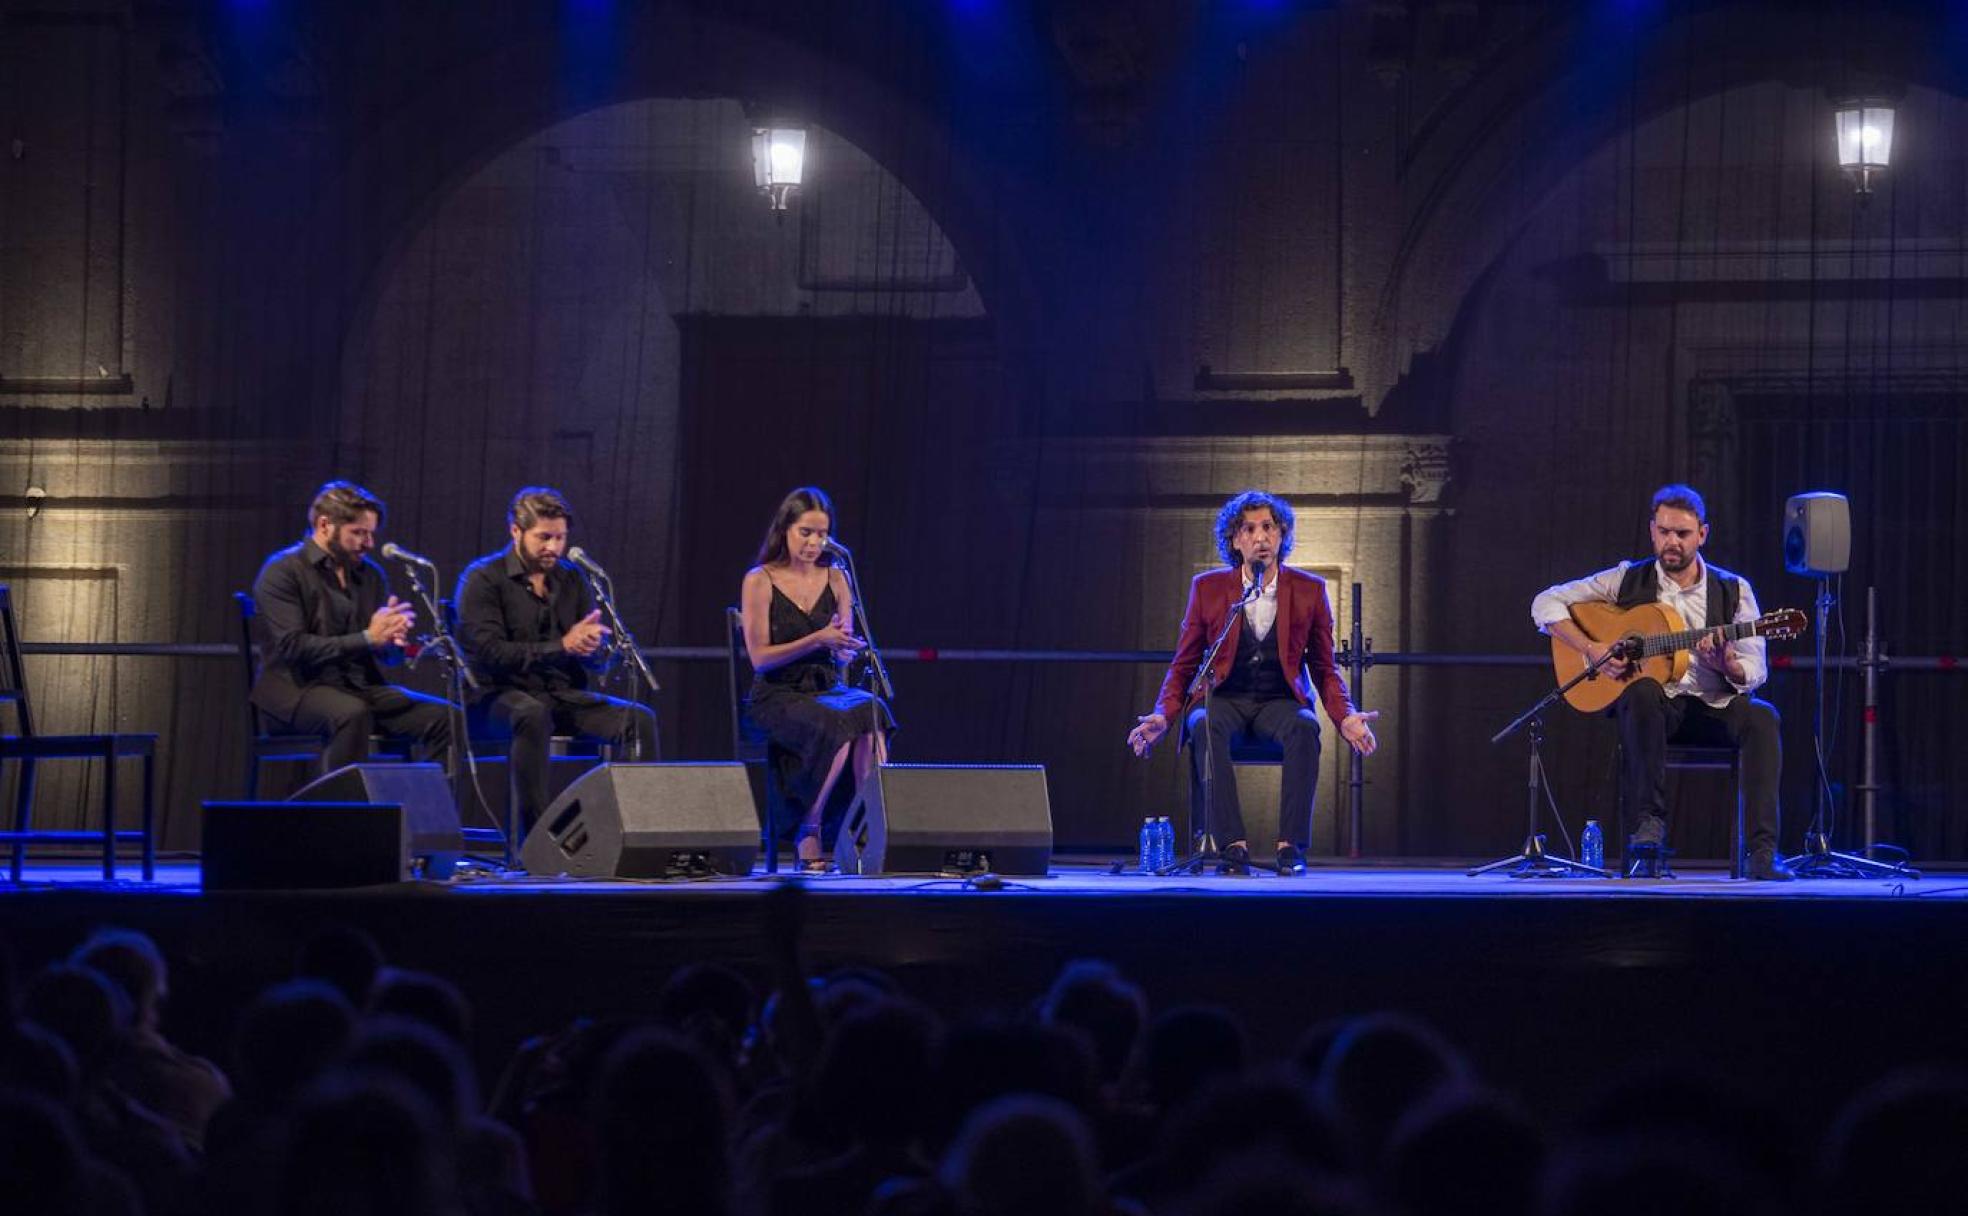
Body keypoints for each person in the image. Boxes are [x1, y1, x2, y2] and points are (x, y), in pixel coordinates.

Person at [1531, 483, 1792, 880]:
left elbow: (1755, 670)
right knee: (1643, 692)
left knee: (1763, 716)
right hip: (1654, 711)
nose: (1672, 542)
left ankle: (1762, 853)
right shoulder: (1625, 579)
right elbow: (1545, 602)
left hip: (1712, 707)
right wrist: (1591, 647)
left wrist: (1727, 664)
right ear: (1653, 530)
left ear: (1702, 535)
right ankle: (1648, 827)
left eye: (1682, 534)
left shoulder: (1734, 589)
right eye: (1664, 531)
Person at [1127, 491, 1378, 875]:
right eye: (1250, 528)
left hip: (1279, 700)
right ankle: (1233, 847)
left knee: (1305, 726)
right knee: (1204, 724)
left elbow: (1325, 668)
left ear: (1281, 535)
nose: (1261, 537)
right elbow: (1185, 664)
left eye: (1269, 527)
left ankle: (1290, 847)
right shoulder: (1208, 589)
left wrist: (1345, 717)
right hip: (1225, 698)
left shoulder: (1310, 590)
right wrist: (1164, 715)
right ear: (1235, 539)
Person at [454, 487, 657, 834]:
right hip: (494, 699)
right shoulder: (483, 579)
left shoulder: (571, 578)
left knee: (638, 719)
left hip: (557, 696)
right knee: (530, 714)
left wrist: (594, 651)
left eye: (560, 538)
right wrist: (563, 645)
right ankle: (535, 840)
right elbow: (490, 654)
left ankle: (637, 834)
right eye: (543, 537)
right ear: (516, 531)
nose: (553, 547)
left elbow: (583, 651)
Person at [739, 487, 893, 874]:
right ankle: (811, 828)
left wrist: (844, 646)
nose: (813, 542)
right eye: (805, 532)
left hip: (825, 687)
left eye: (821, 534)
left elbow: (842, 648)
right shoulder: (760, 580)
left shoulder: (838, 577)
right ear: (785, 530)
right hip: (777, 694)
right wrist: (816, 638)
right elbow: (760, 658)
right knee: (837, 723)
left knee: (872, 712)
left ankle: (871, 828)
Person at [249, 481, 451, 771]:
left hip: (358, 688)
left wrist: (392, 642)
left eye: (371, 534)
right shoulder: (283, 571)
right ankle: (343, 814)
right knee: (351, 714)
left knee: (446, 718)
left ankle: (424, 814)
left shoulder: (369, 575)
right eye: (358, 533)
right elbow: (293, 647)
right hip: (295, 692)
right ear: (324, 525)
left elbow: (383, 655)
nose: (369, 543)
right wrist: (369, 638)